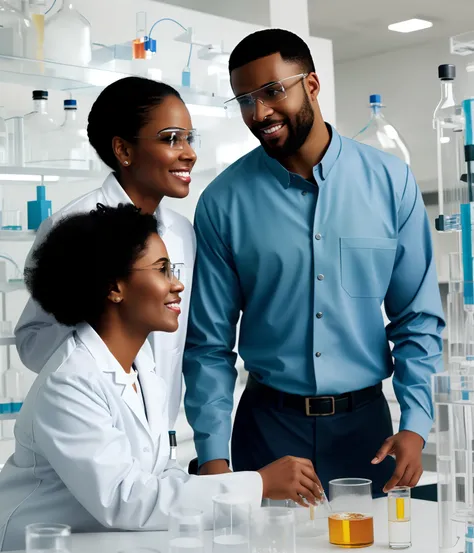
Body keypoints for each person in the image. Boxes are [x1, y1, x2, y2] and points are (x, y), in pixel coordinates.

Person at [183, 29, 445, 496]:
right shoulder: (223, 202)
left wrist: (416, 423)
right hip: (266, 432)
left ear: (312, 85)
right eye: (244, 99)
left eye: (272, 91)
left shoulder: (391, 183)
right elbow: (208, 345)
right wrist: (213, 458)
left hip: (369, 435)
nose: (259, 112)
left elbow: (416, 319)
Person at [0, 204, 322, 551]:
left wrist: (229, 500)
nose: (178, 284)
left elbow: (157, 472)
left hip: (102, 539)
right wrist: (258, 483)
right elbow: (125, 499)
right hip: (38, 544)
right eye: (163, 270)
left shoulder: (141, 361)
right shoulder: (70, 381)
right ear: (114, 287)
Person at [15, 76, 196, 427]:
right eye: (171, 138)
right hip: (95, 423)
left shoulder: (182, 232)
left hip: (162, 433)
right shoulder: (74, 226)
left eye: (189, 138)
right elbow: (32, 344)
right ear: (124, 150)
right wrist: (100, 318)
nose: (188, 153)